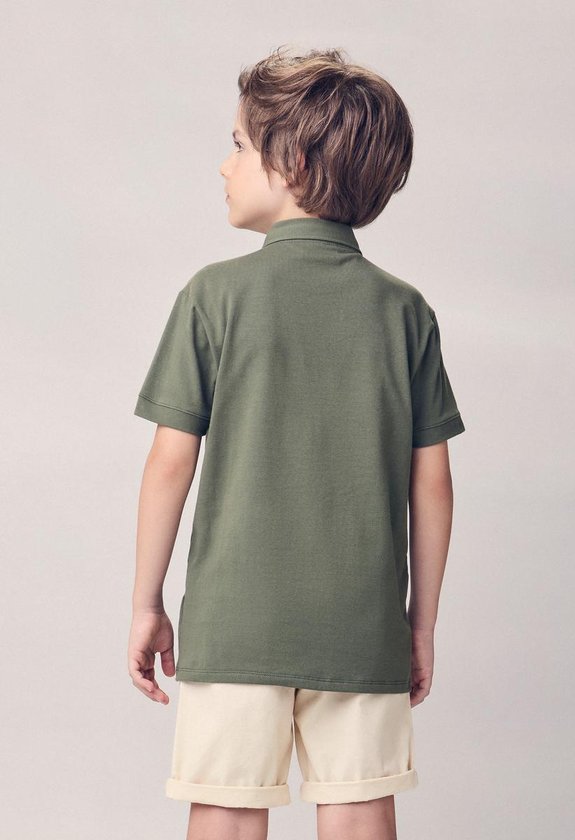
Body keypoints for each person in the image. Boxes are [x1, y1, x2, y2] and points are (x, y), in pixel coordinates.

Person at [128, 45, 465, 840]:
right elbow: (433, 484)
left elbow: (170, 462)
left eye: (239, 145)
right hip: (363, 627)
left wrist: (147, 602)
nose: (225, 165)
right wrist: (418, 624)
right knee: (359, 810)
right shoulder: (405, 312)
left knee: (226, 811)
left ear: (294, 162)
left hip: (235, 625)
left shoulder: (213, 297)